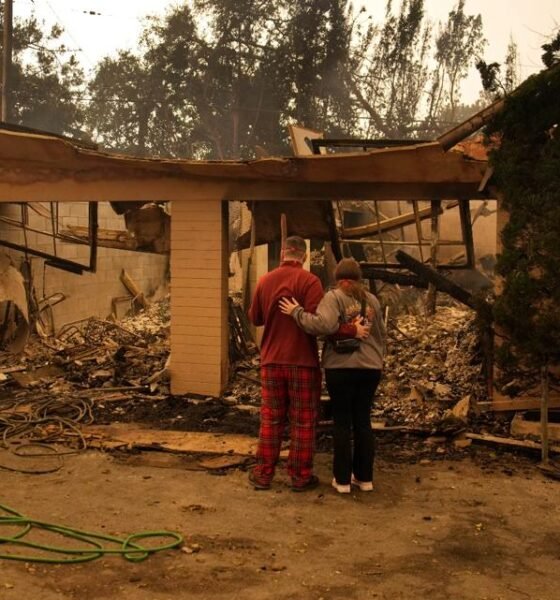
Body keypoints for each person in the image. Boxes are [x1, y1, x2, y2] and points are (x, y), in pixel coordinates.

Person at [279, 258, 385, 494]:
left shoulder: (334, 297)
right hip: (371, 369)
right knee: (363, 422)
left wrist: (296, 312)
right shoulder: (373, 300)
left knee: (342, 423)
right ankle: (365, 479)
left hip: (341, 368)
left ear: (338, 278)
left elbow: (323, 325)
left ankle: (343, 481)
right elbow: (381, 336)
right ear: (358, 278)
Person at [247, 236, 325, 492]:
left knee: (271, 419)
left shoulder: (264, 281)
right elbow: (317, 322)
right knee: (302, 421)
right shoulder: (310, 281)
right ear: (303, 256)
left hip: (271, 361)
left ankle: (263, 475)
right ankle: (301, 477)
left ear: (282, 255)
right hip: (302, 361)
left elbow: (255, 318)